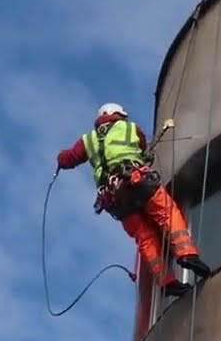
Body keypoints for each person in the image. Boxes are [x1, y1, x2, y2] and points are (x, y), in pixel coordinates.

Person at [57, 103, 211, 298]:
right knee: (167, 213)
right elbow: (143, 148)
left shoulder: (88, 140)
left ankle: (166, 281)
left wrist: (60, 159)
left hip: (115, 198)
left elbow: (69, 158)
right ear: (118, 115)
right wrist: (144, 157)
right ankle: (187, 254)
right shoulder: (130, 128)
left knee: (145, 237)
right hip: (136, 180)